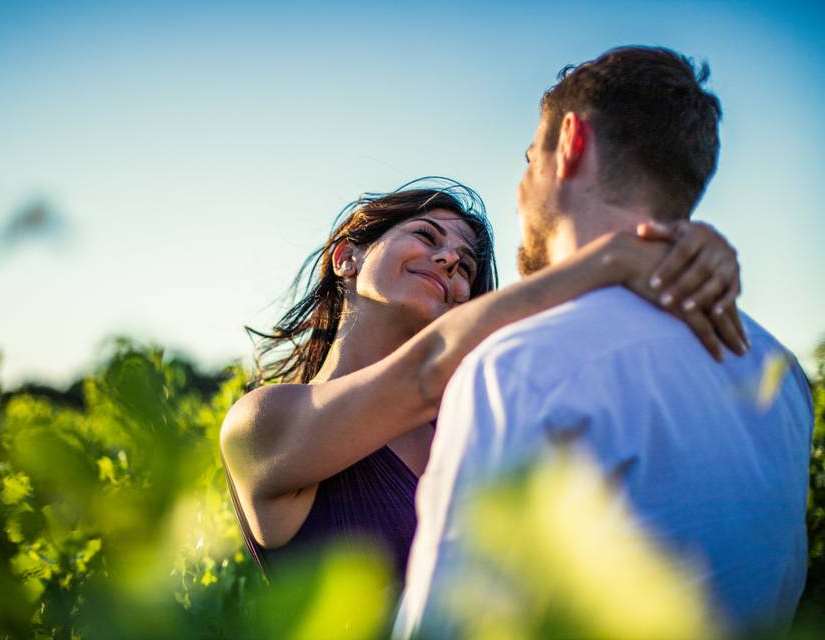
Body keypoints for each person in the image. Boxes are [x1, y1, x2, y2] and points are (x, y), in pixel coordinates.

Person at [395, 47, 814, 637]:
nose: (519, 189)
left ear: (569, 144)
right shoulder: (783, 376)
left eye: (527, 159)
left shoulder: (518, 367)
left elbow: (453, 623)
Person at [220, 174, 746, 596]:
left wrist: (688, 249)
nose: (449, 259)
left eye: (465, 266)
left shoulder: (475, 419)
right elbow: (422, 376)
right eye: (426, 236)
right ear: (346, 258)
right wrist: (610, 259)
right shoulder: (261, 424)